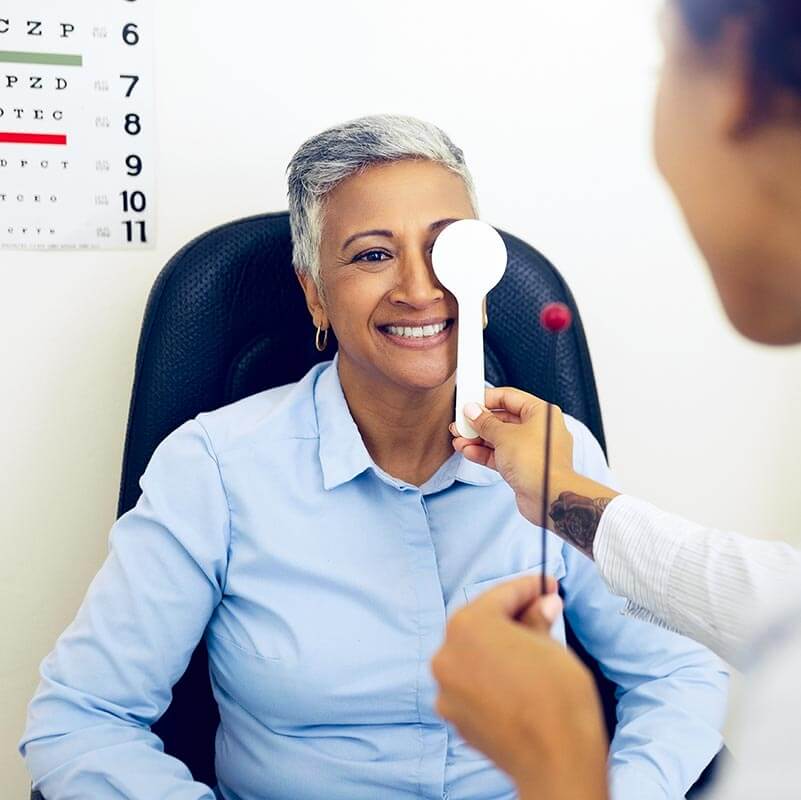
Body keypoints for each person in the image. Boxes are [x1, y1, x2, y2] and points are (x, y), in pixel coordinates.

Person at [19, 115, 727, 800]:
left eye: (446, 248)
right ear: (315, 295)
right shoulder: (215, 469)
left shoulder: (552, 454)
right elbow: (80, 720)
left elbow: (677, 675)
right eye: (371, 255)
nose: (420, 289)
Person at [432, 1, 801, 798]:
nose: (417, 288)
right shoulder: (217, 464)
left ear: (734, 82)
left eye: (661, 64)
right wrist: (564, 496)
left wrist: (561, 765)